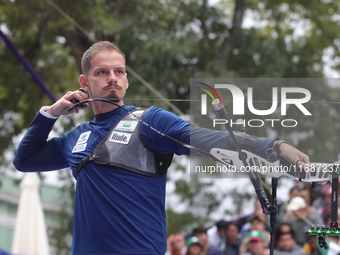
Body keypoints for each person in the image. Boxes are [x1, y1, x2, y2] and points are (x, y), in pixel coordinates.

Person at [13, 41, 310, 255]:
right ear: (84, 81)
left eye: (119, 71)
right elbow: (24, 160)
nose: (113, 78)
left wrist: (272, 144)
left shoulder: (149, 120)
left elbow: (208, 138)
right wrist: (51, 113)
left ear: (127, 79)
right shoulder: (76, 137)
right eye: (102, 72)